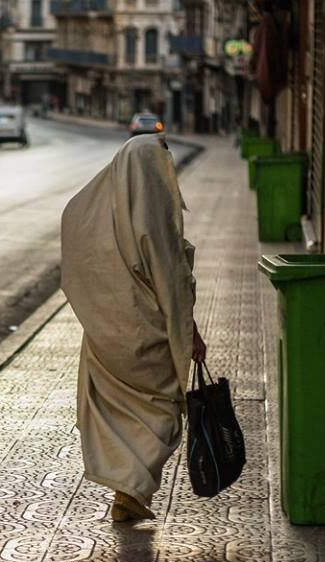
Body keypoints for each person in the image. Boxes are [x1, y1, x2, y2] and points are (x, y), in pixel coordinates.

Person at [60, 134, 206, 523]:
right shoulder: (151, 217)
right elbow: (171, 280)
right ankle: (130, 490)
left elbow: (80, 266)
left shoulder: (90, 211)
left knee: (118, 412)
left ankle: (127, 490)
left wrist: (98, 317)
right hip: (147, 332)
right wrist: (189, 332)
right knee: (161, 409)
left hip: (106, 335)